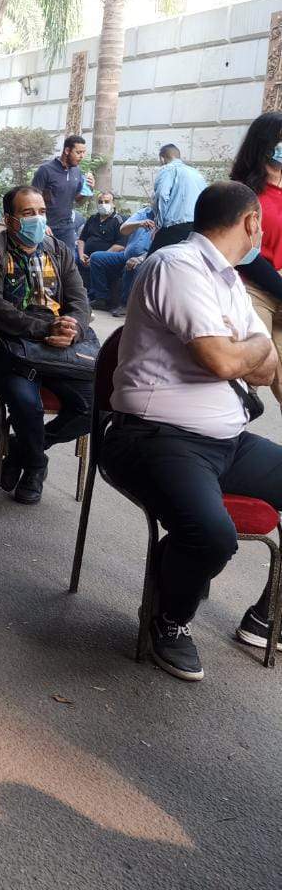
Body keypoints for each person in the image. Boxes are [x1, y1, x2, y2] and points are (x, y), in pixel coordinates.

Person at [103, 181, 282, 683]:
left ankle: (265, 616)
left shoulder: (228, 281)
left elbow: (266, 369)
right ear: (251, 222)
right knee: (210, 534)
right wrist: (249, 347)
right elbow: (223, 359)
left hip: (227, 442)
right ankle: (170, 617)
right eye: (261, 225)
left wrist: (248, 351)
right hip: (155, 437)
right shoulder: (176, 266)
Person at [0, 184, 92, 505]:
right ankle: (35, 466)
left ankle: (22, 450)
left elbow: (80, 300)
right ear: (10, 219)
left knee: (94, 404)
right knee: (25, 400)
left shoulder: (58, 250)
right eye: (28, 213)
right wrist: (44, 329)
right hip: (6, 347)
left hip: (57, 348)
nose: (38, 219)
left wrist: (72, 328)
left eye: (41, 212)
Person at [230, 110, 282, 406]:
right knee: (250, 372)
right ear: (266, 144)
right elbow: (244, 253)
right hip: (254, 288)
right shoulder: (243, 193)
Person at [31, 135, 95, 252]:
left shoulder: (77, 171)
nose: (82, 156)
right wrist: (42, 224)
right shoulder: (45, 170)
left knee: (69, 260)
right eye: (78, 152)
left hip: (67, 227)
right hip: (46, 226)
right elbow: (32, 200)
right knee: (45, 261)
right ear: (67, 150)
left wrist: (88, 190)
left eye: (83, 152)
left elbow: (78, 201)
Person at [87, 206, 155, 316]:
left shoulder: (167, 218)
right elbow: (123, 229)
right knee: (96, 258)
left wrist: (141, 258)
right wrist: (139, 223)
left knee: (132, 266)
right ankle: (101, 298)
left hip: (145, 258)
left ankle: (125, 304)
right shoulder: (144, 212)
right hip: (125, 255)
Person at [150, 144, 206, 252]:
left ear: (162, 158)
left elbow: (162, 195)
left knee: (153, 260)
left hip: (174, 226)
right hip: (197, 228)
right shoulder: (196, 173)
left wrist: (158, 226)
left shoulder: (167, 169)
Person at [76, 193, 121, 264]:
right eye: (100, 202)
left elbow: (120, 245)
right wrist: (81, 255)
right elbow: (81, 239)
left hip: (104, 260)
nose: (103, 204)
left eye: (106, 202)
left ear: (113, 204)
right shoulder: (92, 218)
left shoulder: (118, 220)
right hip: (85, 257)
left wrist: (98, 258)